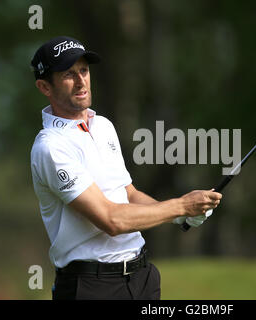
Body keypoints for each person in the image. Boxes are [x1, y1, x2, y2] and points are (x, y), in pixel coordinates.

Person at [29, 36, 222, 300]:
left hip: (141, 278)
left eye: (84, 71)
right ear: (44, 87)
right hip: (91, 287)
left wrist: (181, 216)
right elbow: (111, 219)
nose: (81, 80)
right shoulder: (51, 147)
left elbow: (128, 194)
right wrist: (181, 206)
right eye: (68, 74)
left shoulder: (103, 125)